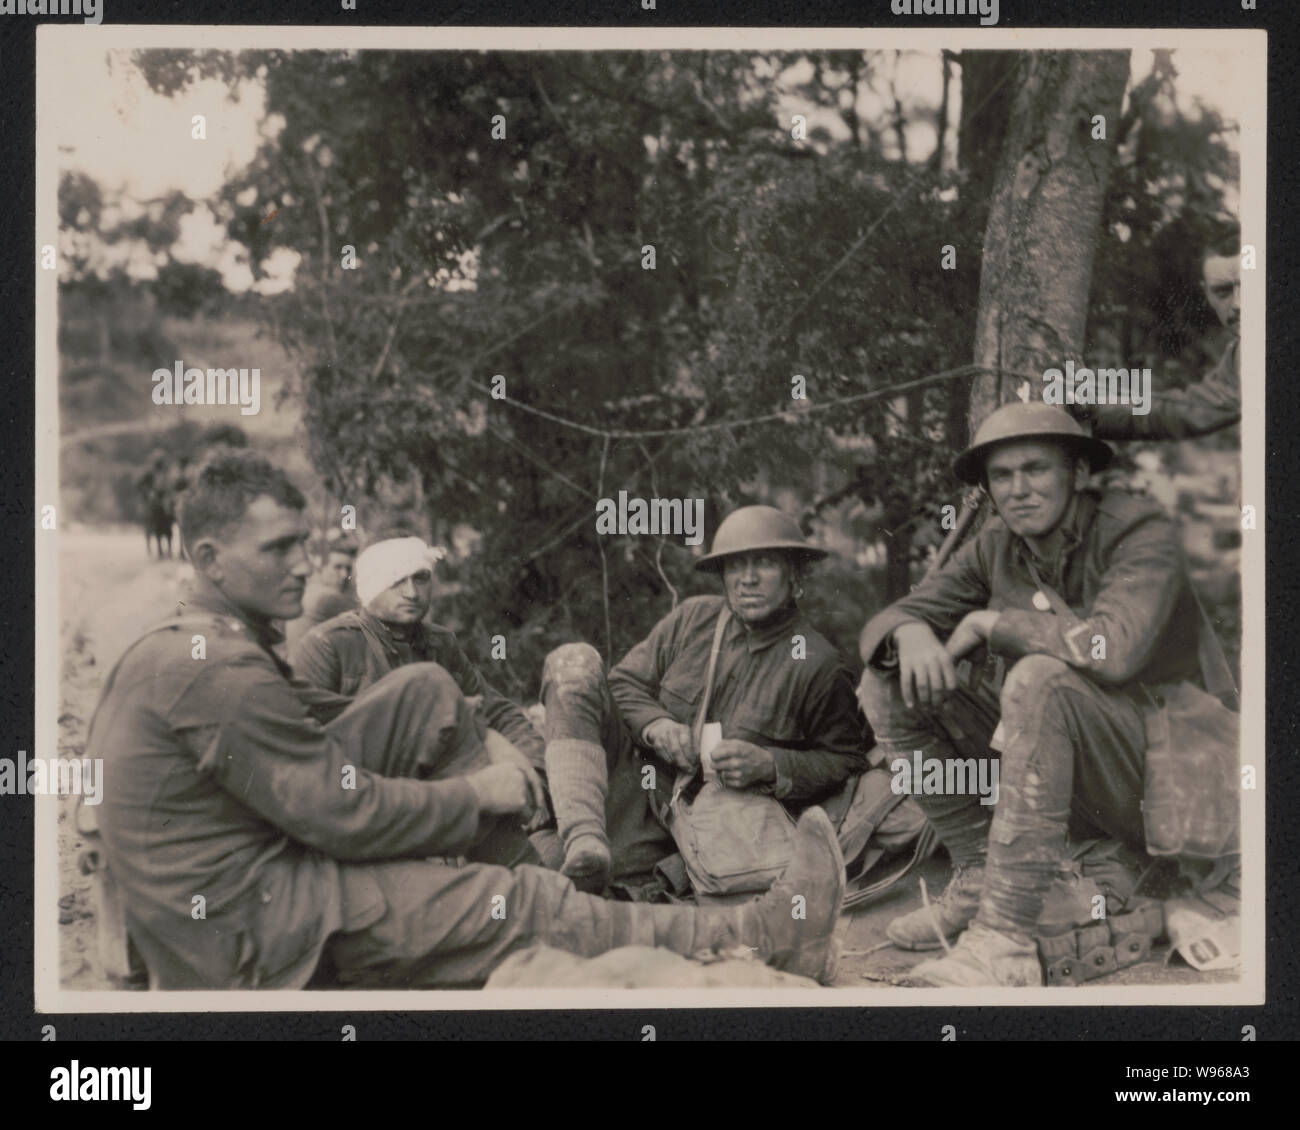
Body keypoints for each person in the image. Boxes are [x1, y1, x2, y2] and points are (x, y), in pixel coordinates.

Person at [84, 450, 846, 990]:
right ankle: (757, 939)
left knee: (426, 691)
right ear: (212, 558)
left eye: (303, 544)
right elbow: (343, 815)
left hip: (243, 880)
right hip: (257, 930)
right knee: (516, 907)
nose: (302, 565)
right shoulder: (223, 665)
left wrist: (486, 736)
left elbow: (346, 723)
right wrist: (478, 796)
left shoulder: (194, 639)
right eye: (277, 548)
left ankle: (556, 891)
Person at [856, 402, 1239, 987]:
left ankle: (1001, 945)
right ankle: (982, 871)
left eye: (1036, 469)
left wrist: (990, 624)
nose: (1018, 489)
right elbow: (897, 616)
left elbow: (1112, 650)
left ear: (1079, 474)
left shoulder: (1141, 531)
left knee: (1039, 679)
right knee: (888, 685)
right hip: (1081, 759)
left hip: (1173, 769)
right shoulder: (996, 545)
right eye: (1002, 476)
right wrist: (909, 631)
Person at [540, 505, 868, 896]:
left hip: (693, 831)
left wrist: (770, 764)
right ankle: (582, 835)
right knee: (572, 664)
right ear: (723, 577)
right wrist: (655, 726)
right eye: (735, 566)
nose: (747, 579)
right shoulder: (693, 619)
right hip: (624, 788)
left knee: (548, 877)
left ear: (795, 574)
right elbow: (623, 684)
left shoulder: (818, 664)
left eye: (763, 563)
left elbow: (847, 761)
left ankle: (599, 862)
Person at [291, 529, 557, 865]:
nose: (412, 593)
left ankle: (541, 890)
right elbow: (304, 748)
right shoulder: (329, 645)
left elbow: (498, 710)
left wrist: (532, 772)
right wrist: (479, 732)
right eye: (396, 580)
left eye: (421, 578)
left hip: (446, 802)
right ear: (369, 585)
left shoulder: (439, 643)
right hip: (369, 807)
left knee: (542, 865)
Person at [1085, 227, 1241, 441]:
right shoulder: (1242, 353)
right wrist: (1094, 409)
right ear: (1206, 292)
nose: (1238, 304)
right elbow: (1189, 409)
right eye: (1223, 291)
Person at [282, 530, 359, 653]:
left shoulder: (308, 590)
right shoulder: (327, 597)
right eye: (337, 567)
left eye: (348, 569)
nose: (344, 575)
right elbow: (370, 612)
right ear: (320, 567)